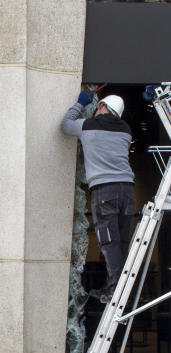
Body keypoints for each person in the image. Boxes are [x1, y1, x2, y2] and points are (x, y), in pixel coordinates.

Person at [61, 90, 135, 303]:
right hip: (127, 189)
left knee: (108, 242)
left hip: (105, 190)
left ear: (102, 107)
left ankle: (116, 289)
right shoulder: (126, 130)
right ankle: (118, 285)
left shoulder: (89, 126)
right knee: (121, 241)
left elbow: (65, 126)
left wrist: (79, 103)